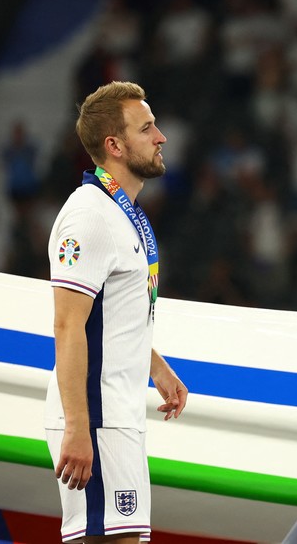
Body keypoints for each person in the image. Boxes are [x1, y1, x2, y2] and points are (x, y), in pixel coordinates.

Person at [45, 81, 188, 543]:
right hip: (96, 418)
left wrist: (157, 367)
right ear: (115, 146)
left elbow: (113, 314)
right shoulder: (89, 217)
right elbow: (68, 325)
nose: (161, 136)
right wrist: (78, 429)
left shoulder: (120, 212)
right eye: (147, 128)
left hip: (115, 416)